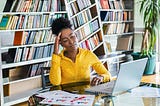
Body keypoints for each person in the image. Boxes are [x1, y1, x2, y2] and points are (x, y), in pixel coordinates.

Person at [49, 17, 111, 86]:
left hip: (85, 94)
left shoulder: (88, 54)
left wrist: (101, 77)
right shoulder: (58, 59)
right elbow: (55, 82)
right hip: (66, 95)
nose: (71, 42)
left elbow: (107, 75)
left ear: (76, 35)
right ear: (60, 43)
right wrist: (55, 52)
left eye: (72, 36)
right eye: (65, 40)